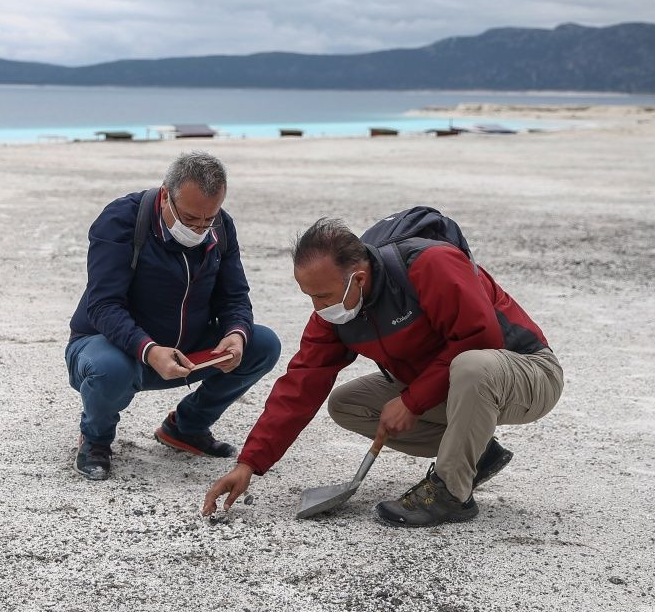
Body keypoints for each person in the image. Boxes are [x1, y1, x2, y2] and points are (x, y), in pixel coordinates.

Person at [203, 216, 563, 526]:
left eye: (323, 296)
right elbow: (301, 383)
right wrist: (249, 463)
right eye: (309, 296)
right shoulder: (334, 312)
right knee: (347, 403)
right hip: (455, 385)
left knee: (472, 365)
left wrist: (412, 401)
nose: (317, 308)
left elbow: (479, 337)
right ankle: (475, 455)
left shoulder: (429, 264)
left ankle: (452, 493)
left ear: (358, 279)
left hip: (526, 371)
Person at [66, 151, 281, 480]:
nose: (199, 229)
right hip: (115, 349)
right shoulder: (122, 219)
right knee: (110, 369)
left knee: (262, 343)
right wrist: (148, 350)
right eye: (191, 219)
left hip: (185, 352)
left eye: (208, 220)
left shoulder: (221, 227)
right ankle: (95, 438)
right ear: (166, 195)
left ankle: (186, 428)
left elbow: (235, 296)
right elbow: (102, 306)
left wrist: (235, 334)